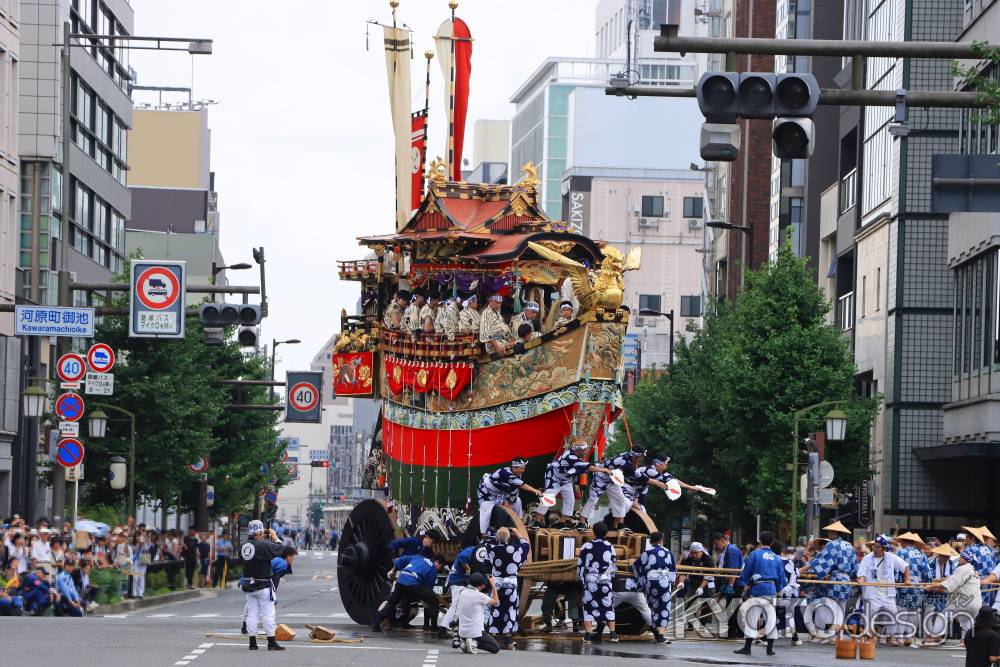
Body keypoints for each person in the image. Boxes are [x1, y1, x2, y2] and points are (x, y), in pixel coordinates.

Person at [800, 521, 858, 638]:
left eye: (830, 532)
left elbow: (822, 562)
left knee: (831, 608)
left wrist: (804, 568)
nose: (828, 534)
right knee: (841, 609)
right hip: (847, 581)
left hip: (835, 580)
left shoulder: (832, 545)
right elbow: (855, 567)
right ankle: (838, 635)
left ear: (833, 532)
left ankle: (830, 634)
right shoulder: (850, 546)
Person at [733, 531, 786, 657]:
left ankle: (747, 648)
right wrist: (777, 588)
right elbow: (781, 578)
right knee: (771, 619)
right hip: (771, 589)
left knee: (752, 617)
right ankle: (770, 649)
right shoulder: (777, 558)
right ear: (772, 543)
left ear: (760, 541)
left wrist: (746, 584)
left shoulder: (754, 554)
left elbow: (747, 572)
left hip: (757, 589)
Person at [534, 440, 610, 528]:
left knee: (570, 501)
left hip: (566, 481)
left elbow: (583, 466)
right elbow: (586, 466)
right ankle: (537, 522)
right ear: (579, 450)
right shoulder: (570, 456)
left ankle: (561, 523)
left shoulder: (577, 456)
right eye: (584, 450)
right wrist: (603, 470)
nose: (585, 452)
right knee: (548, 500)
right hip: (554, 479)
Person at [370, 551, 447, 636]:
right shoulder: (432, 569)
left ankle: (376, 624)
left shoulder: (418, 557)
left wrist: (394, 571)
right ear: (437, 562)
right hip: (413, 583)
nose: (440, 569)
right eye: (441, 566)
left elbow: (400, 560)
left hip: (401, 579)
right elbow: (428, 589)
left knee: (391, 603)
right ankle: (434, 627)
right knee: (433, 600)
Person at [239, 521, 287, 651]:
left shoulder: (243, 546)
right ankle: (271, 642)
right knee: (268, 613)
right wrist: (275, 536)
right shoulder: (264, 545)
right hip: (263, 584)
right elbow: (282, 549)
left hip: (249, 584)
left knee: (252, 614)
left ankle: (252, 643)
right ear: (260, 532)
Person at [856, 534, 910, 642]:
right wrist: (861, 580)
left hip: (887, 594)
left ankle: (891, 637)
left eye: (878, 547)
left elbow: (905, 566)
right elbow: (862, 572)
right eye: (874, 546)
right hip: (872, 594)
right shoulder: (867, 558)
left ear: (884, 548)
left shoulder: (890, 557)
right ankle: (869, 636)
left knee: (893, 614)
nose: (875, 549)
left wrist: (907, 579)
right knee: (869, 616)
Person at [580, 445, 645, 530]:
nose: (641, 460)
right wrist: (658, 483)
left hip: (613, 480)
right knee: (593, 499)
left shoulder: (628, 457)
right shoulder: (624, 462)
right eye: (640, 457)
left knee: (620, 499)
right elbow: (641, 477)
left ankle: (619, 525)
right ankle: (581, 523)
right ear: (635, 456)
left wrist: (634, 464)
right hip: (601, 477)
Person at [487, 527, 530, 649]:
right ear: (509, 538)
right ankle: (508, 638)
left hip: (497, 584)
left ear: (497, 538)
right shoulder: (515, 549)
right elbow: (526, 546)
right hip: (511, 584)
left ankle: (493, 634)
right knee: (510, 609)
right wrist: (518, 534)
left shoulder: (492, 549)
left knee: (496, 608)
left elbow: (488, 544)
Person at [476, 458, 544, 535]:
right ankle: (484, 534)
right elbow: (522, 485)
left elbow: (515, 487)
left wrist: (508, 500)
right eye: (521, 469)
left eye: (523, 468)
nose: (523, 470)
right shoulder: (505, 472)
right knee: (486, 507)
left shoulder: (517, 474)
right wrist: (535, 490)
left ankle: (520, 524)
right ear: (514, 468)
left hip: (501, 491)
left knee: (517, 501)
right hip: (487, 492)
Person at [928, 547, 983, 640]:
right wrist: (941, 585)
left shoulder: (963, 569)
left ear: (965, 559)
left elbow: (950, 584)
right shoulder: (974, 571)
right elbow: (955, 583)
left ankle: (935, 636)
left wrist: (932, 586)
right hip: (975, 603)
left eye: (961, 557)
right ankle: (967, 640)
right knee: (965, 619)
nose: (959, 559)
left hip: (964, 601)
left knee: (944, 614)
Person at [632, 530, 676, 644]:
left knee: (653, 607)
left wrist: (641, 581)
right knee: (664, 607)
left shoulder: (647, 552)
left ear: (650, 541)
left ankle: (656, 633)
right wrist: (672, 581)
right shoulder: (668, 552)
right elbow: (672, 570)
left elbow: (636, 566)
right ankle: (661, 635)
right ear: (662, 540)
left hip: (652, 582)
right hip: (665, 582)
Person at [579, 521, 618, 643]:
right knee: (608, 606)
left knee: (589, 607)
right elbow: (613, 564)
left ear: (593, 532)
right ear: (606, 533)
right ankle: (612, 635)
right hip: (605, 580)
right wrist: (610, 578)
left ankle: (588, 636)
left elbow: (581, 566)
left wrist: (582, 580)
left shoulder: (586, 546)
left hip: (591, 580)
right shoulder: (610, 546)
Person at [895, 531, 931, 646]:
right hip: (918, 585)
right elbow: (927, 572)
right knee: (913, 610)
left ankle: (900, 637)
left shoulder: (901, 552)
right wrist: (927, 583)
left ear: (904, 542)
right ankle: (909, 636)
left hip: (905, 583)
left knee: (902, 609)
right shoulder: (921, 554)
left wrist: (896, 582)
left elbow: (897, 570)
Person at [454, 572, 501, 654]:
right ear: (482, 585)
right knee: (496, 648)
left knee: (484, 627)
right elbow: (496, 602)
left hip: (463, 632)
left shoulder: (462, 592)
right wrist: (493, 585)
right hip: (475, 632)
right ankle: (474, 643)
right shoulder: (479, 596)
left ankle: (465, 642)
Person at [926, 543, 958, 642]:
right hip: (931, 591)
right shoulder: (930, 563)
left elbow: (953, 578)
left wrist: (943, 581)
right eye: (944, 556)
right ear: (939, 555)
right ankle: (929, 634)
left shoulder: (951, 564)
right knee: (929, 612)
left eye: (947, 556)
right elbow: (928, 578)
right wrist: (941, 581)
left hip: (944, 592)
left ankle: (936, 635)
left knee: (942, 613)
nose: (946, 558)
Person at [776, 544, 803, 646]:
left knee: (772, 613)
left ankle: (766, 638)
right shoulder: (792, 564)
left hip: (781, 592)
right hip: (793, 593)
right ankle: (795, 638)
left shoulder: (777, 561)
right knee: (789, 614)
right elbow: (797, 574)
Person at [963, 527, 997, 606]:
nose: (965, 539)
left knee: (974, 607)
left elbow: (960, 565)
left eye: (966, 537)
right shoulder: (989, 549)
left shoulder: (970, 549)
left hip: (977, 583)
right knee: (984, 607)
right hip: (988, 583)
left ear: (972, 538)